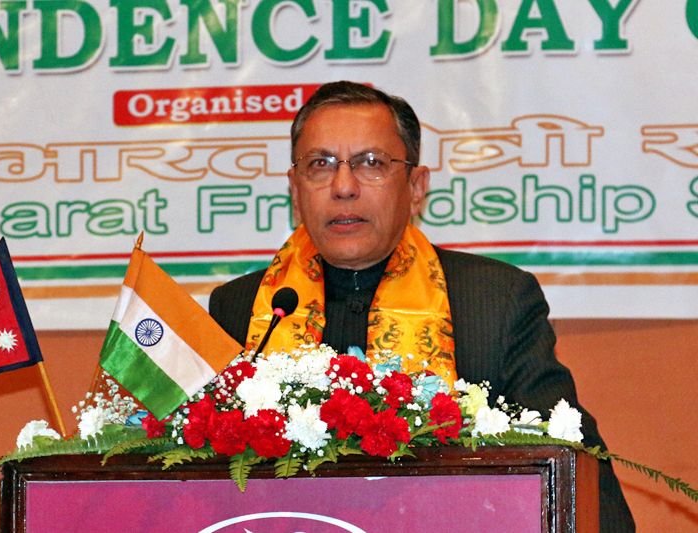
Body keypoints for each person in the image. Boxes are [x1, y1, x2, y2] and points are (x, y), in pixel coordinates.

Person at [209, 81, 634, 532]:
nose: (344, 186)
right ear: (295, 189)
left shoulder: (497, 301)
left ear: (416, 186)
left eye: (371, 163)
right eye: (320, 164)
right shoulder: (243, 309)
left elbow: (575, 470)